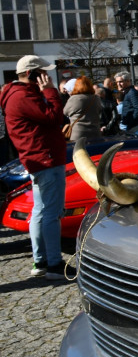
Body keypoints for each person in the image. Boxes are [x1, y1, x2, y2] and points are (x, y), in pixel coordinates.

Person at [0, 55, 71, 280]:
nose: (48, 76)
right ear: (33, 74)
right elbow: (54, 117)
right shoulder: (23, 95)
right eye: (44, 72)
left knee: (40, 211)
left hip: (39, 158)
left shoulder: (17, 94)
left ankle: (41, 261)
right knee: (51, 212)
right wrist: (50, 91)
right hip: (45, 159)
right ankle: (53, 264)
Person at [62, 76, 103, 143]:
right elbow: (100, 110)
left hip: (78, 133)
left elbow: (65, 112)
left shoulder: (74, 98)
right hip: (95, 132)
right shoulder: (96, 98)